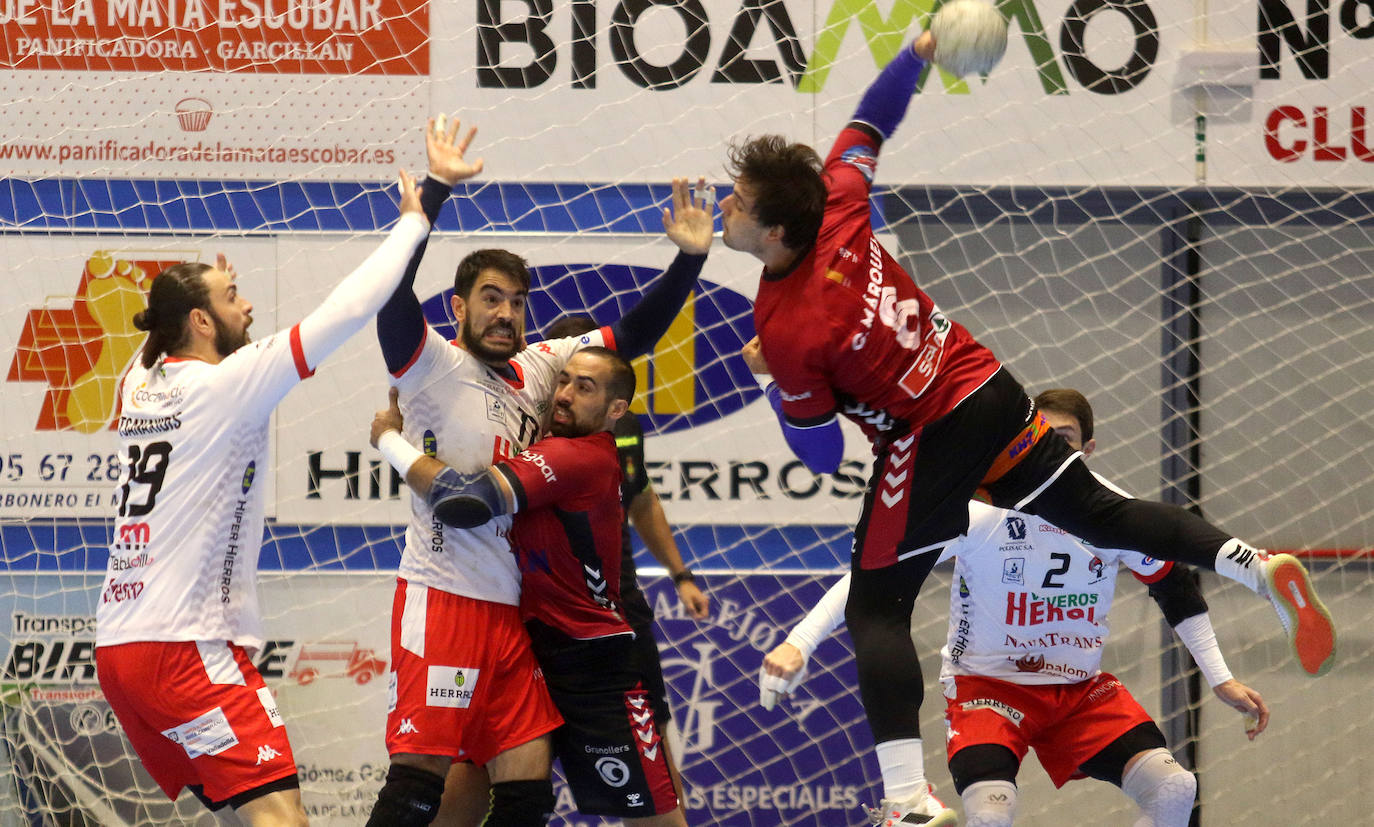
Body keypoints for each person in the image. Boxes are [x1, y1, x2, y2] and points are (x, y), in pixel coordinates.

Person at [727, 26, 1333, 823]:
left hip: (930, 432)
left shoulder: (788, 329)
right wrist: (918, 52)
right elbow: (872, 120)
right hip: (988, 384)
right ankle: (1254, 564)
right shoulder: (839, 197)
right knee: (1101, 514)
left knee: (878, 605)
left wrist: (777, 382)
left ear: (774, 232)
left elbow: (813, 449)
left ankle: (908, 798)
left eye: (736, 201)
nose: (723, 206)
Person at [92, 121, 441, 825]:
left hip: (120, 646)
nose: (246, 305)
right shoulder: (230, 383)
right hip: (185, 643)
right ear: (198, 321)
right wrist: (417, 217)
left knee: (252, 811)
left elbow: (153, 335)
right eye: (231, 296)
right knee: (282, 818)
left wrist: (197, 294)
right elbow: (346, 308)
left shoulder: (138, 385)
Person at [364, 125, 714, 827]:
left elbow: (630, 341)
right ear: (459, 307)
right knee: (420, 779)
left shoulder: (545, 364)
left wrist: (688, 262)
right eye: (491, 298)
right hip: (446, 596)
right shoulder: (428, 362)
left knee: (526, 786)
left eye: (518, 300)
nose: (506, 313)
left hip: (513, 612)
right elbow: (391, 297)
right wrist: (431, 197)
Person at [760, 389, 1270, 827]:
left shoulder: (1117, 515)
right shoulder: (977, 512)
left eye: (1063, 440)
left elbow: (1175, 588)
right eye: (1039, 439)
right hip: (988, 690)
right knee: (991, 813)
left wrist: (1221, 677)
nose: (1047, 450)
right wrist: (798, 641)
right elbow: (871, 580)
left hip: (1077, 692)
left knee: (1177, 790)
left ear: (1087, 450)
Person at [370, 349, 688, 826]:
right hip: (526, 644)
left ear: (616, 410)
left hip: (592, 664)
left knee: (652, 812)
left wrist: (389, 440)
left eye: (585, 388)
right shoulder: (542, 445)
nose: (564, 395)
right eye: (562, 381)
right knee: (488, 789)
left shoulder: (574, 455)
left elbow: (465, 502)